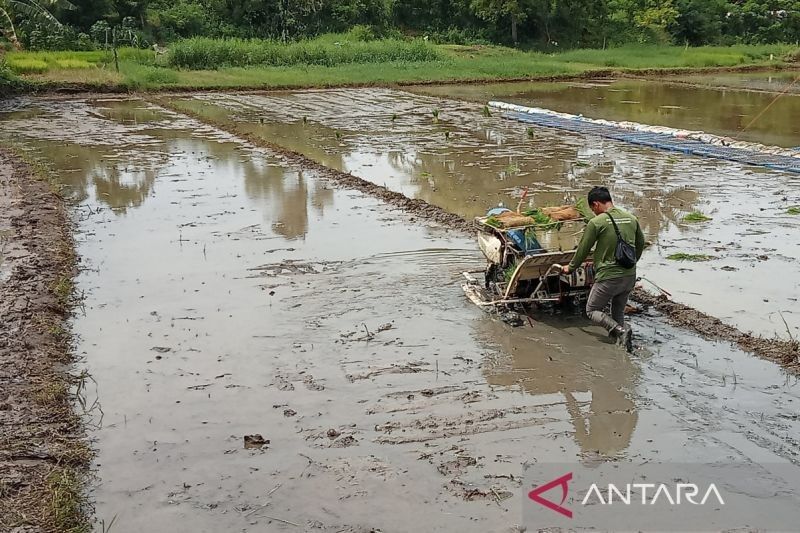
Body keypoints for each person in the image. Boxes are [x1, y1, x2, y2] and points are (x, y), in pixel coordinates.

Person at [561, 186, 645, 350]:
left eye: (593, 209)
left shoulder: (596, 222)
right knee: (618, 310)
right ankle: (621, 344)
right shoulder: (631, 218)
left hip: (609, 276)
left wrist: (570, 268)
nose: (593, 212)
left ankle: (619, 331)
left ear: (596, 204)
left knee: (592, 310)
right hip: (629, 275)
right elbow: (640, 244)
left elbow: (583, 249)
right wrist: (632, 263)